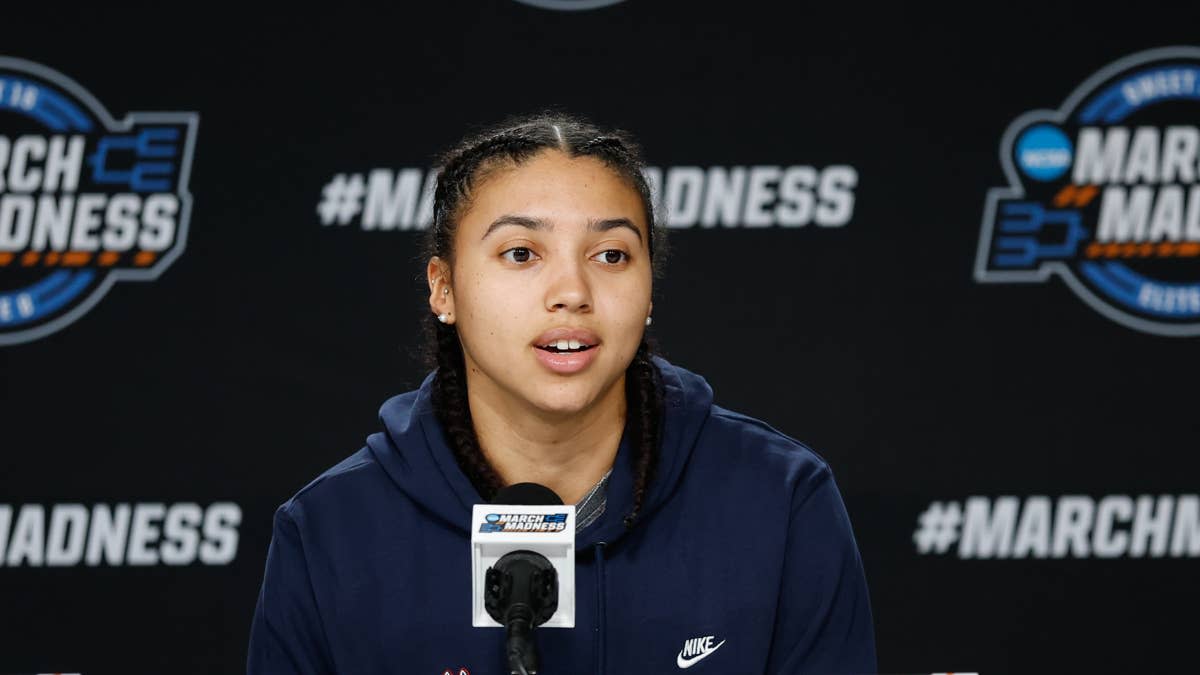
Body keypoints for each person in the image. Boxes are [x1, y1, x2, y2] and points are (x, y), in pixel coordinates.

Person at [247, 112, 876, 674]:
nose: (572, 291)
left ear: (650, 289)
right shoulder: (331, 530)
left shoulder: (779, 499)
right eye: (522, 253)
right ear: (444, 287)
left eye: (611, 256)